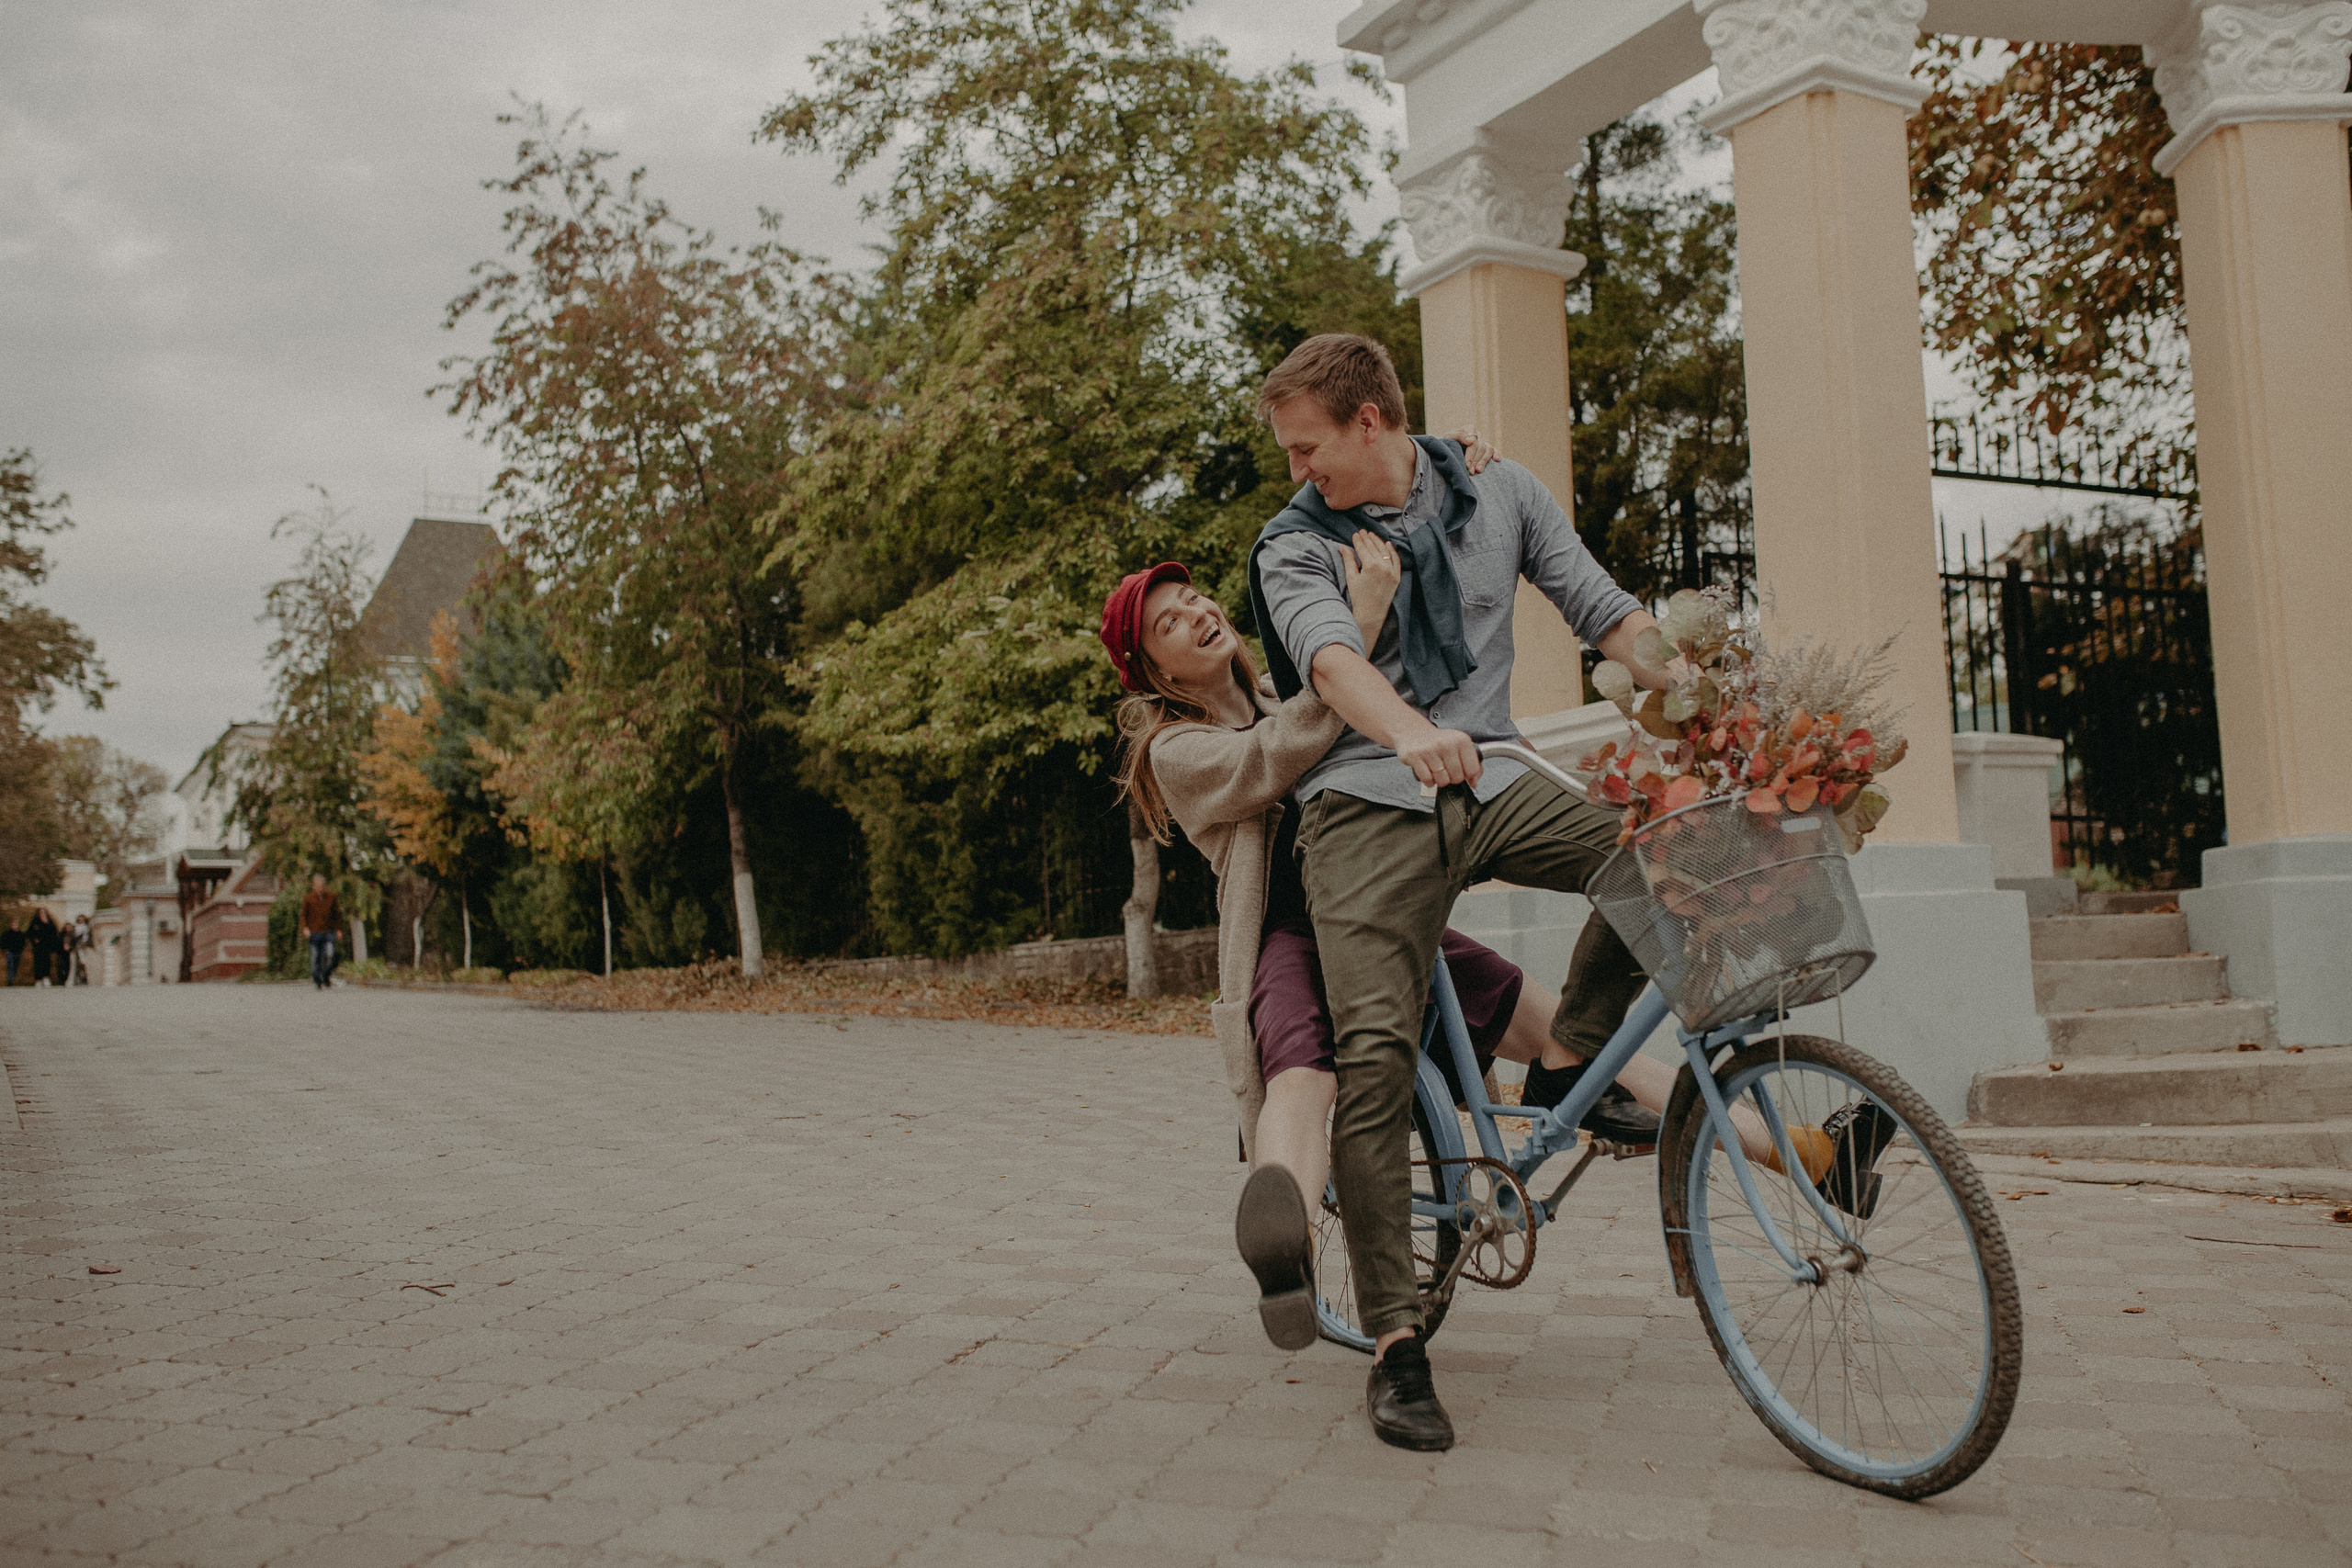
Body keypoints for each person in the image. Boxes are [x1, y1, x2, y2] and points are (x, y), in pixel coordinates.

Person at [1248, 333, 1883, 1452]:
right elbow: (1330, 662)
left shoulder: (1500, 494)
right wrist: (1407, 733)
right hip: (1363, 797)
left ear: (1370, 421)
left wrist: (1700, 691)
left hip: (1491, 774)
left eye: (1312, 450)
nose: (1302, 473)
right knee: (1375, 1049)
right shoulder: (1293, 545)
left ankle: (1568, 1059)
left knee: (1672, 845)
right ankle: (1397, 1344)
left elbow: (1605, 613)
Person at [300, 875, 342, 989]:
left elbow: (337, 914)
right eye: (317, 886)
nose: (320, 889)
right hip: (314, 932)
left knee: (330, 955)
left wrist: (338, 929)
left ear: (325, 886)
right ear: (313, 887)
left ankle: (326, 975)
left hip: (328, 932)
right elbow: (303, 915)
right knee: (315, 958)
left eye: (322, 886)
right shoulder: (308, 898)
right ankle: (317, 980)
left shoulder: (331, 897)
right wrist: (305, 928)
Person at [27, 907, 61, 987]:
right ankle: (38, 979)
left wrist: (52, 944)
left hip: (47, 946)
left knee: (47, 962)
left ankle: (46, 977)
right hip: (38, 947)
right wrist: (34, 939)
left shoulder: (50, 922)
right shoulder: (35, 922)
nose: (42, 914)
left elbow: (54, 933)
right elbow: (29, 933)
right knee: (37, 963)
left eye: (43, 912)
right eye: (40, 912)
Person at [68, 913, 93, 985]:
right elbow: (72, 937)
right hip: (77, 947)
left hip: (85, 946)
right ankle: (78, 979)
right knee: (77, 964)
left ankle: (85, 978)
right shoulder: (75, 928)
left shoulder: (87, 927)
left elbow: (89, 937)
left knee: (85, 963)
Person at [0, 919, 24, 987]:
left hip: (18, 952)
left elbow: (23, 943)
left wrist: (21, 950)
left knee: (15, 966)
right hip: (10, 952)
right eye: (13, 924)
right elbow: (2, 942)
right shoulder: (6, 934)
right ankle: (10, 980)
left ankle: (12, 978)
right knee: (10, 965)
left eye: (15, 924)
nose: (14, 926)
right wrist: (5, 950)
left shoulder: (20, 934)